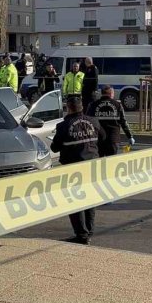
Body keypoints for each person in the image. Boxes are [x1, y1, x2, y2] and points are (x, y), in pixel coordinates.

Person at [50, 96, 107, 245]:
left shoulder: (63, 126)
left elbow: (54, 147)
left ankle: (81, 234)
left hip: (73, 168)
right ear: (82, 107)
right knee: (90, 199)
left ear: (68, 108)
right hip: (92, 165)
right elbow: (103, 137)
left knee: (74, 201)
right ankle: (88, 231)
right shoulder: (93, 121)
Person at [86, 86, 134, 156]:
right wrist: (130, 136)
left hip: (98, 139)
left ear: (102, 93)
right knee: (111, 162)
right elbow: (123, 122)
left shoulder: (93, 105)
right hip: (113, 139)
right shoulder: (118, 105)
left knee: (99, 162)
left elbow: (87, 121)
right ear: (111, 94)